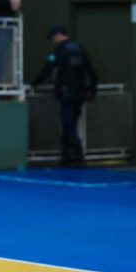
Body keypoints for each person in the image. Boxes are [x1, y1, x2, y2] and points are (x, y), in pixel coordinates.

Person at [31, 26, 97, 167]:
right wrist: (93, 89)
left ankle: (78, 156)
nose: (52, 41)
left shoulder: (58, 52)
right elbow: (91, 70)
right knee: (71, 123)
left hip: (66, 93)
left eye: (53, 38)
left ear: (58, 35)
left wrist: (34, 83)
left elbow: (47, 68)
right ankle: (66, 155)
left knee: (68, 125)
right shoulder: (79, 48)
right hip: (80, 93)